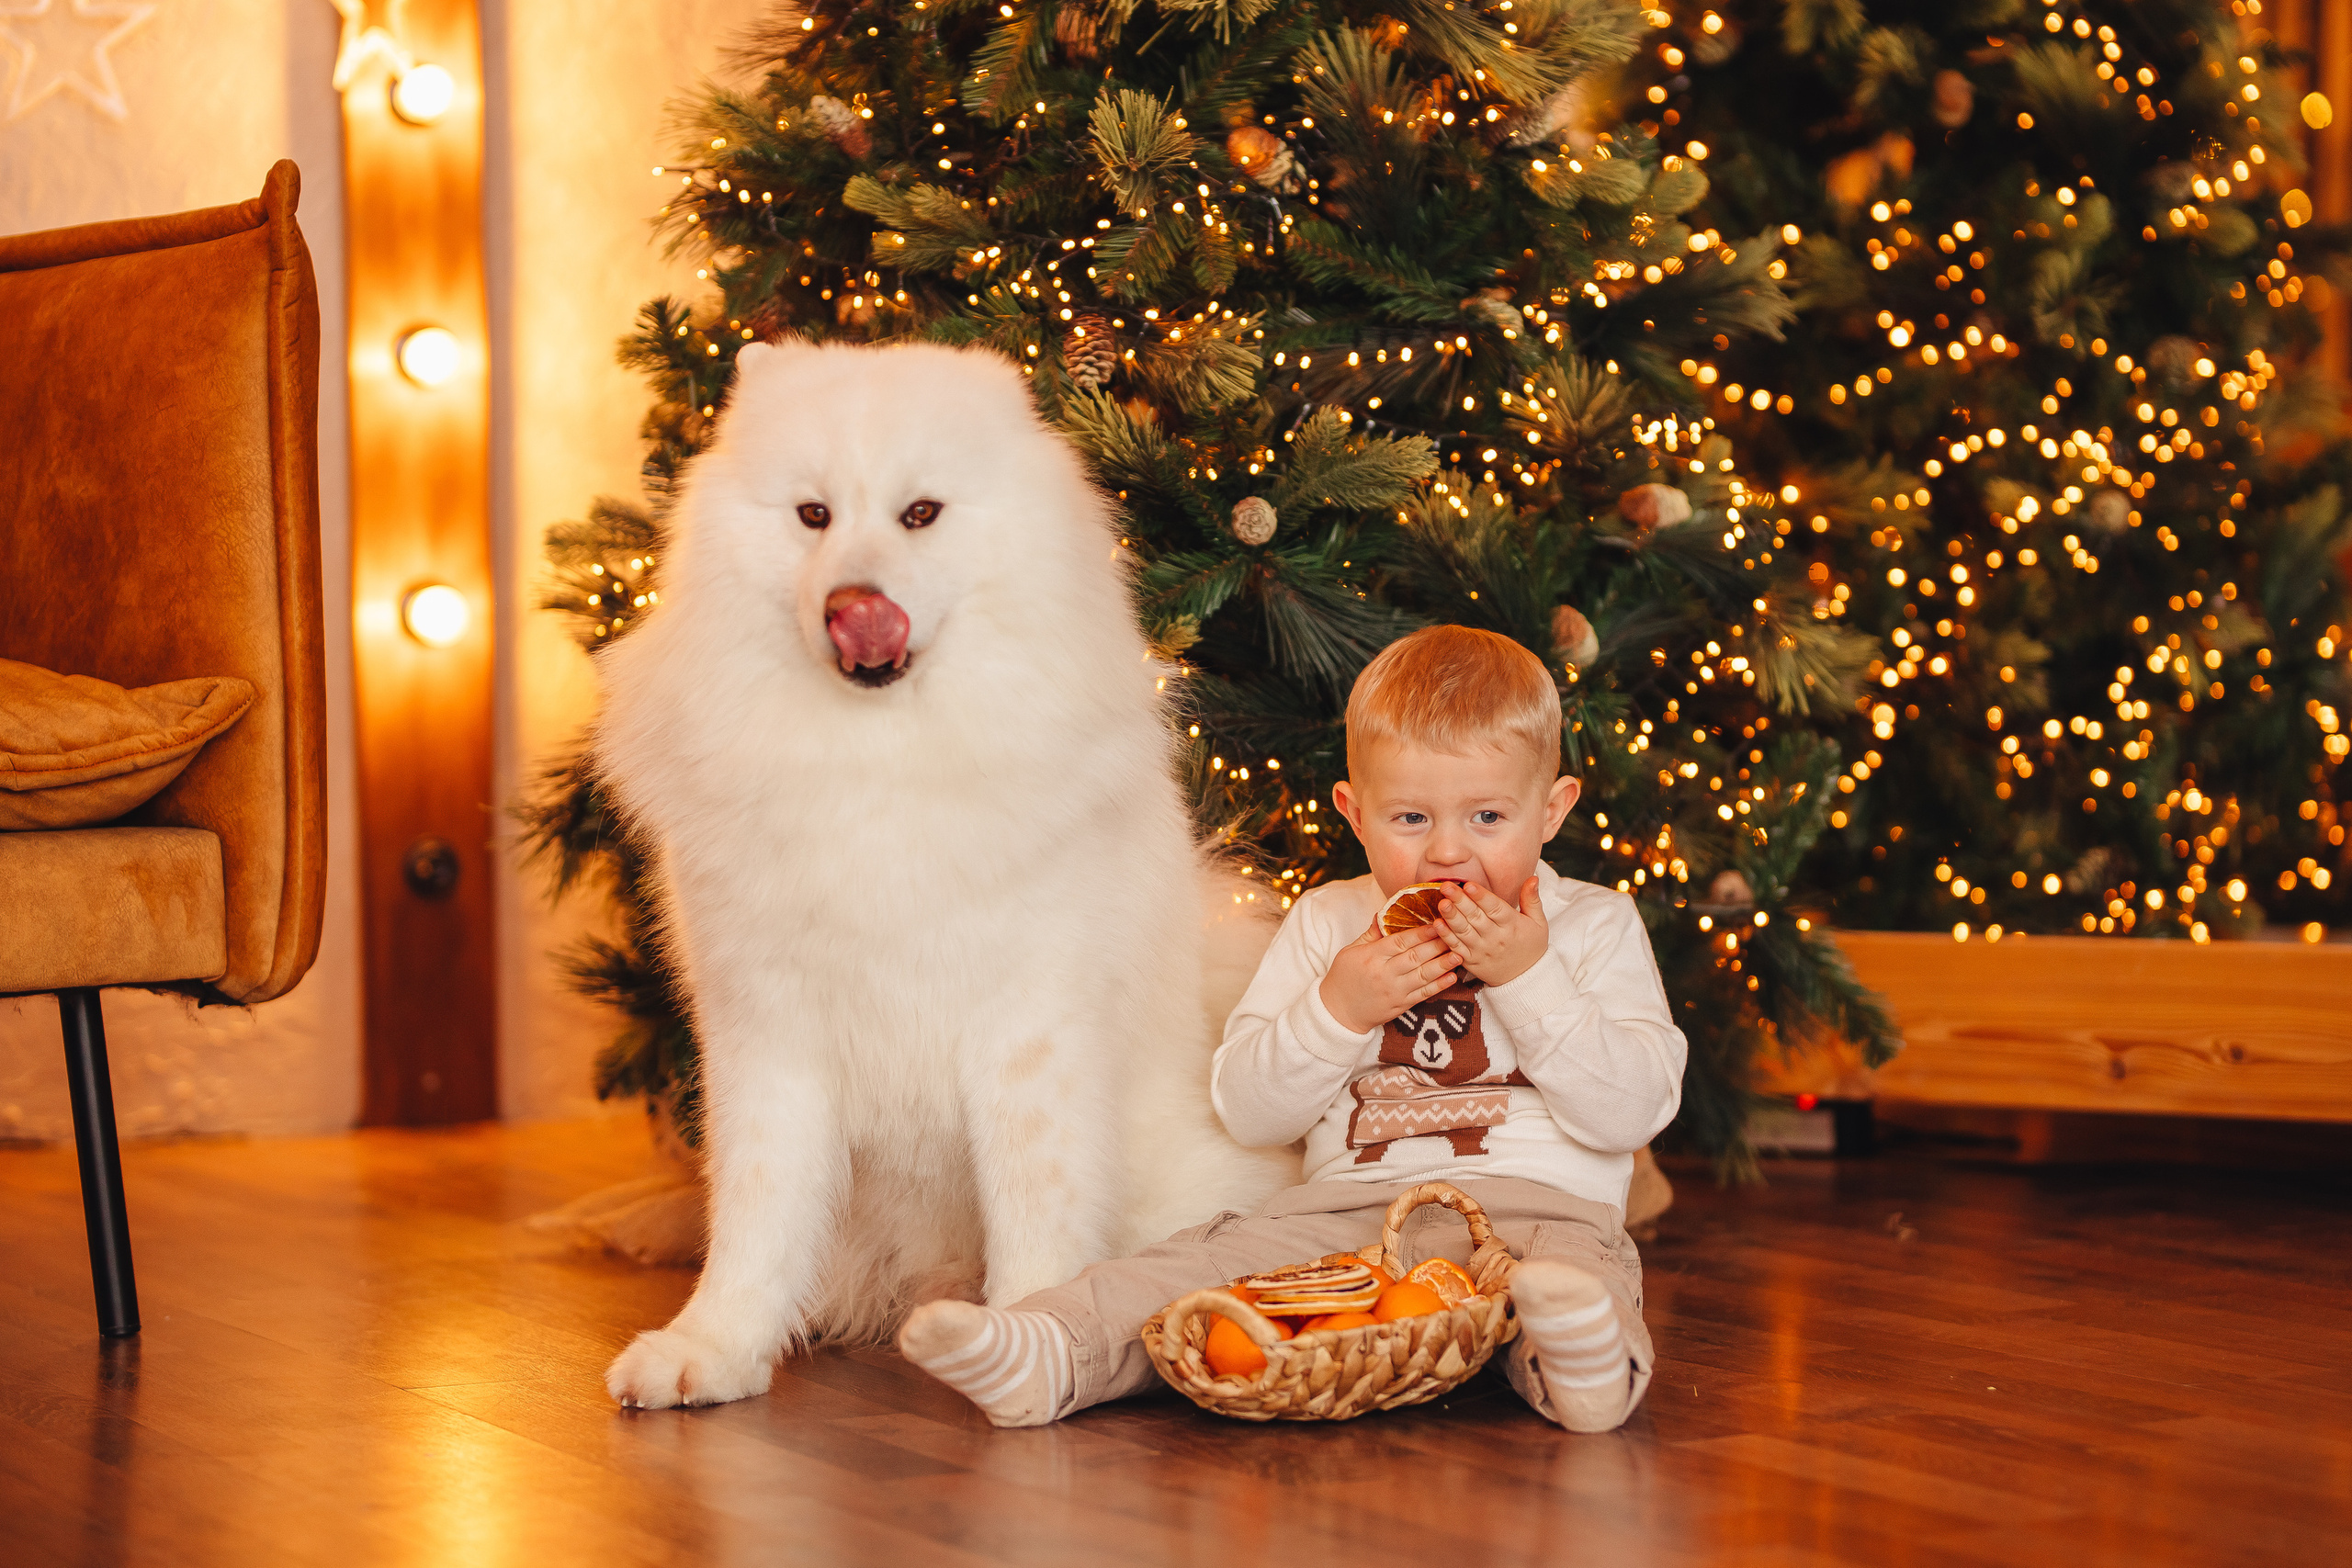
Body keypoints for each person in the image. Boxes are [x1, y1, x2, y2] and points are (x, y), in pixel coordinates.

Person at [899, 625, 1687, 1431]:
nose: (1448, 851)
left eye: (1488, 816)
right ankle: (1052, 1350)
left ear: (1551, 809)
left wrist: (1528, 977)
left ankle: (1583, 1372)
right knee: (1193, 1270)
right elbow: (1250, 1109)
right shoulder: (1327, 923)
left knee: (1572, 1287)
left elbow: (1633, 1109)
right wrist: (1337, 1009)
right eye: (1410, 817)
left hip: (1543, 1213)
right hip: (1342, 1215)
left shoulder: (1592, 925)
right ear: (1354, 810)